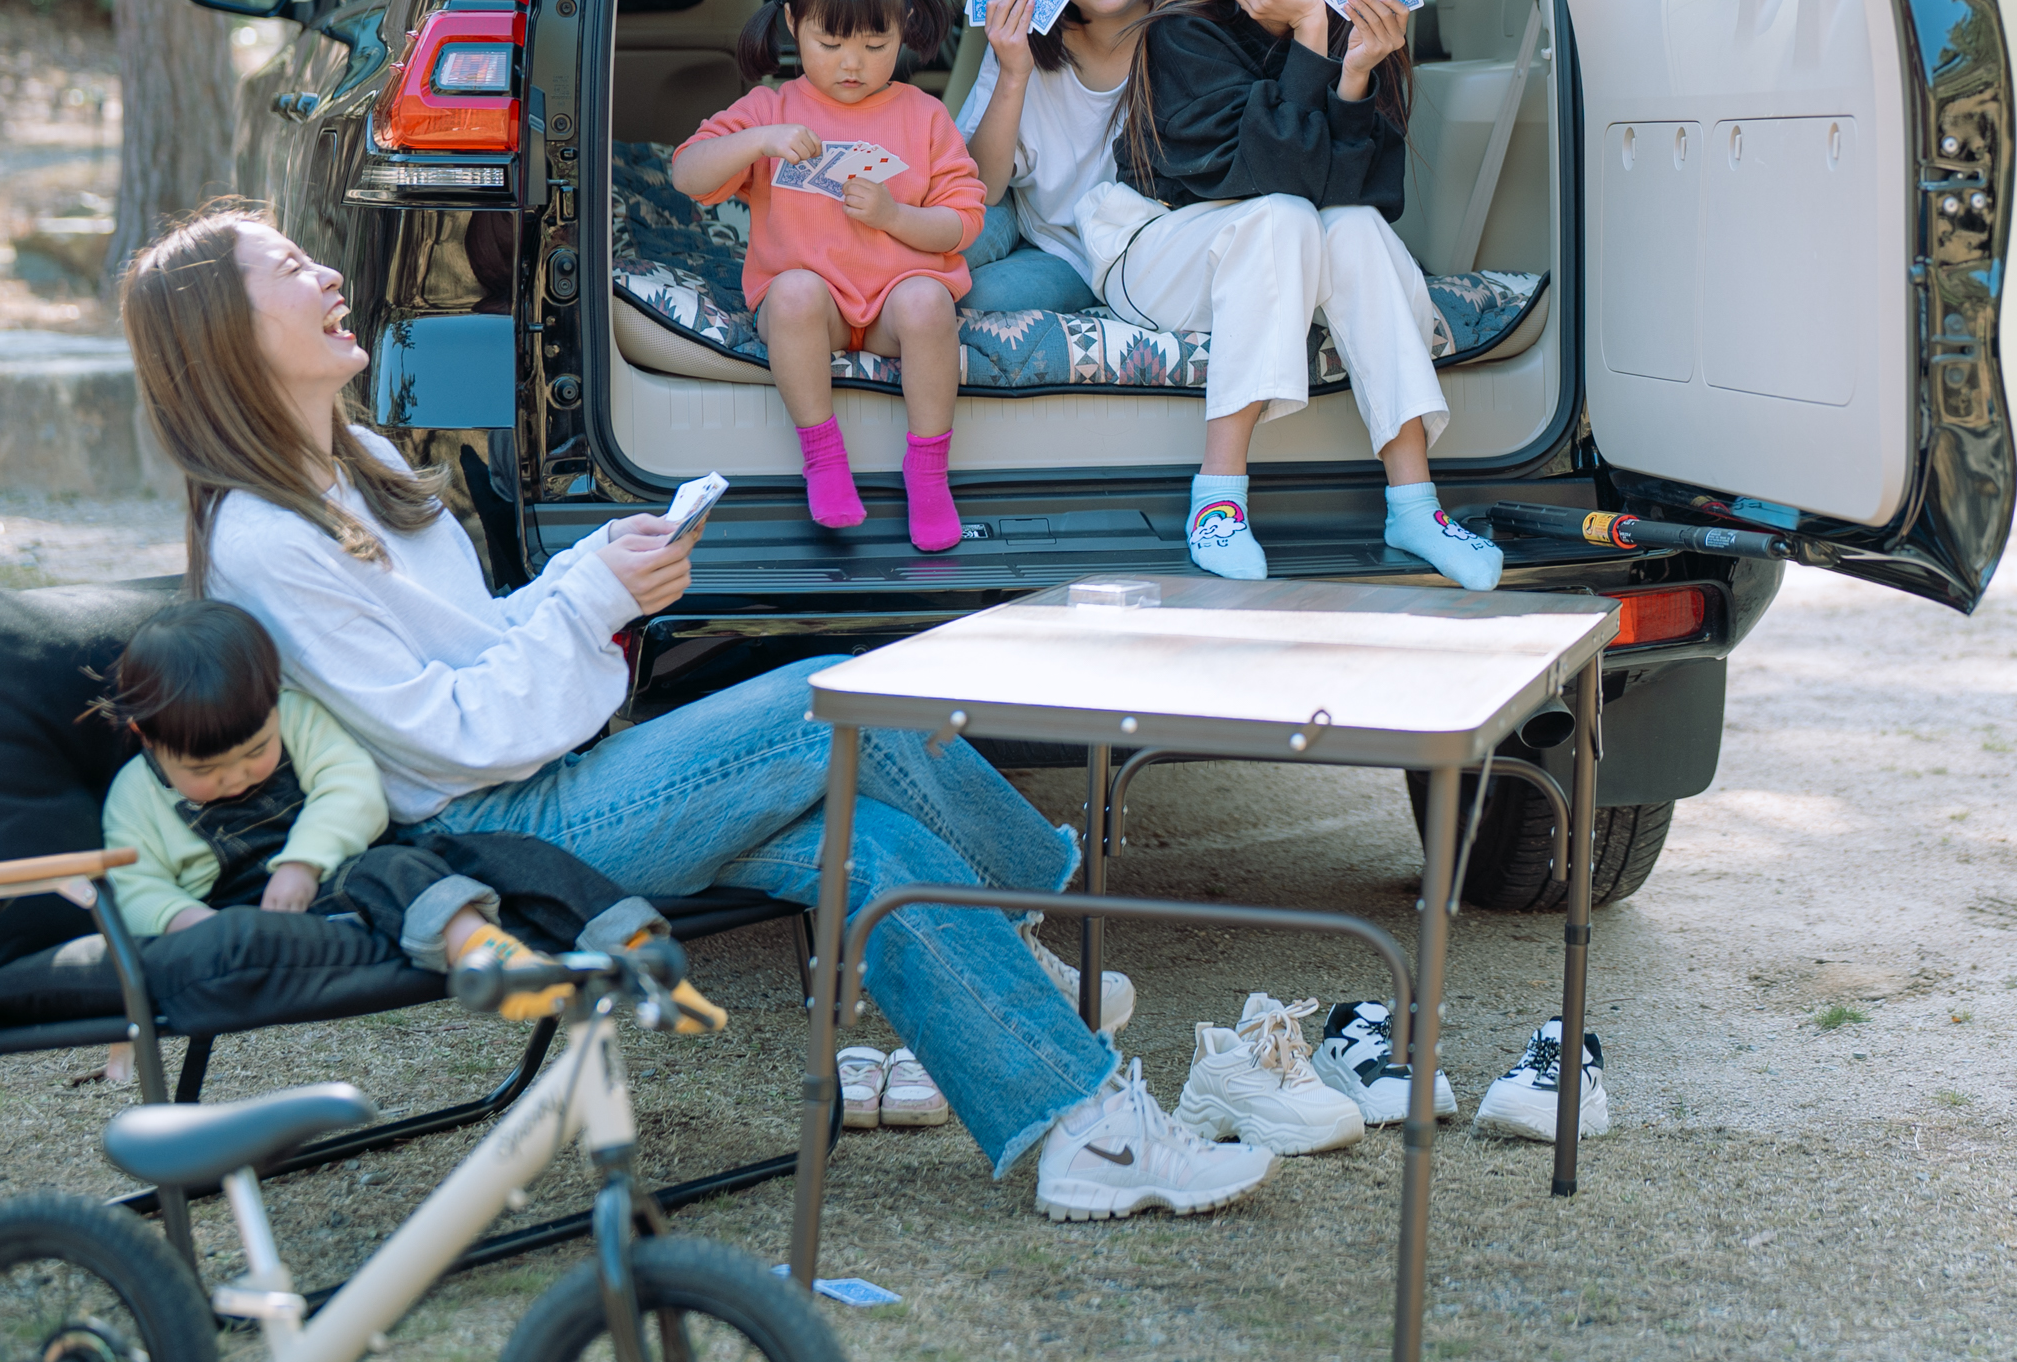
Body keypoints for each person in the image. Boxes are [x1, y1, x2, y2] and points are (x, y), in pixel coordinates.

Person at [119, 204, 1271, 1223]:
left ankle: (1089, 1136)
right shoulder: (265, 539)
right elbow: (444, 737)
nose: (325, 274)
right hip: (476, 836)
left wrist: (587, 583)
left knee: (862, 844)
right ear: (225, 334)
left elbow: (473, 646)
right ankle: (1035, 930)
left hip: (540, 784)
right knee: (833, 705)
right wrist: (593, 606)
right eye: (287, 268)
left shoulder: (355, 459)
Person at [1082, 0, 1502, 588]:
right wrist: (1310, 32)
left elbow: (1361, 193)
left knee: (1357, 226)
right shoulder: (1184, 27)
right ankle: (1218, 498)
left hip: (1281, 251)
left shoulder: (1360, 26)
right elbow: (1262, 175)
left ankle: (1414, 503)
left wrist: (1353, 72)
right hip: (1157, 251)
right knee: (1279, 212)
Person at [95, 598, 721, 1030]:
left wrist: (305, 860)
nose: (234, 776)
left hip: (336, 861)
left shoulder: (295, 717)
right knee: (386, 869)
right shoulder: (137, 797)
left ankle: (629, 941)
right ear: (148, 737)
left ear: (272, 705)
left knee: (489, 850)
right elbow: (133, 882)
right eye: (204, 773)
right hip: (264, 905)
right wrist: (185, 922)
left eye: (256, 752)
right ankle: (484, 957)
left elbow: (351, 788)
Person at [673, 0, 987, 548]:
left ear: (904, 28)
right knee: (792, 293)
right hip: (815, 313)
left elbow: (964, 220)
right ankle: (823, 456)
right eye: (831, 41)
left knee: (929, 302)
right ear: (793, 24)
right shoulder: (770, 108)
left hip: (895, 304)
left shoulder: (924, 115)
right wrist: (759, 141)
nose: (852, 62)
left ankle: (928, 472)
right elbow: (687, 171)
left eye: (876, 43)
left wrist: (895, 216)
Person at [950, 0, 1176, 316]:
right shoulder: (1026, 38)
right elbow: (981, 188)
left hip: (1098, 256)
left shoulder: (1190, 38)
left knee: (978, 298)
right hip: (1025, 217)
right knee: (926, 244)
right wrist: (1013, 71)